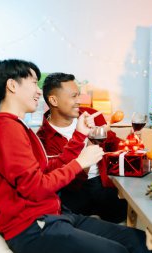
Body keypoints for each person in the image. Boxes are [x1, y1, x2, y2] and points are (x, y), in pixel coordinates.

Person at [0, 59, 149, 253]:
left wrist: (79, 136)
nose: (39, 91)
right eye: (33, 82)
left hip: (54, 215)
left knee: (139, 240)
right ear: (12, 85)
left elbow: (46, 170)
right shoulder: (4, 128)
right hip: (33, 227)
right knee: (119, 250)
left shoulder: (16, 126)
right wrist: (80, 162)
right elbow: (36, 187)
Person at [37, 72, 127, 223]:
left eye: (79, 95)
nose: (79, 101)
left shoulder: (91, 115)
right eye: (74, 96)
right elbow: (59, 177)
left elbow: (114, 144)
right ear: (54, 100)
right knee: (70, 224)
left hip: (103, 183)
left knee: (124, 215)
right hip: (72, 191)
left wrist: (127, 141)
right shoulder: (43, 138)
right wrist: (87, 145)